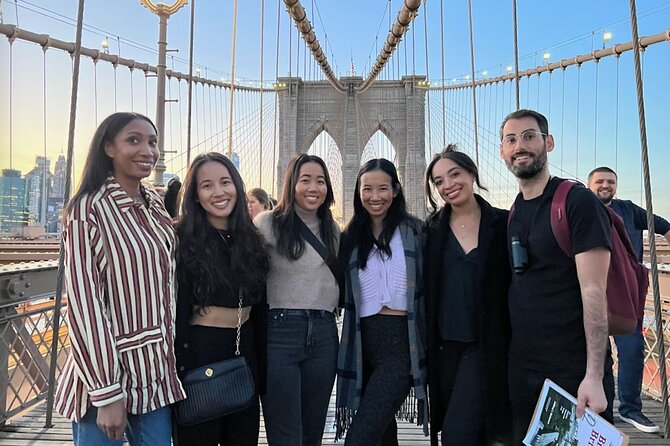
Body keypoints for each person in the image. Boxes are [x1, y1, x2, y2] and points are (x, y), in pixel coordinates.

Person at [54, 112, 185, 445]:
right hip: (104, 380)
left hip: (154, 375)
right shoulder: (87, 210)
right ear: (108, 147)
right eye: (134, 140)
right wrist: (106, 391)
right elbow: (85, 306)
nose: (148, 151)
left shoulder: (154, 204)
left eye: (152, 142)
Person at [499, 109, 615, 443]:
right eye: (511, 139)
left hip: (573, 370)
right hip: (523, 371)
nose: (520, 146)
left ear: (548, 143)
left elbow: (594, 291)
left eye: (529, 136)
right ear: (502, 151)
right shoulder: (514, 212)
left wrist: (593, 375)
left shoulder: (577, 202)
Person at [173, 152, 269, 445]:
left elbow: (261, 311)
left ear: (237, 188)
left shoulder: (251, 240)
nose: (218, 192)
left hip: (243, 357)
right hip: (197, 359)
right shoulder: (181, 239)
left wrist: (263, 375)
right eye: (207, 185)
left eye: (225, 182)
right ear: (195, 195)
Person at [335, 159, 428, 445]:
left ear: (396, 190)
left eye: (383, 188)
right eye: (367, 189)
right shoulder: (349, 237)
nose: (375, 197)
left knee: (361, 436)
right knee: (383, 433)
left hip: (401, 345)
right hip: (361, 343)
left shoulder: (416, 231)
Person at [424, 146, 512, 446]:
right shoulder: (430, 231)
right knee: (468, 431)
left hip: (485, 345)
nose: (447, 185)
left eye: (454, 174)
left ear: (472, 174)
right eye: (438, 181)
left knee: (456, 435)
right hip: (443, 348)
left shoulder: (504, 224)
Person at [255, 153, 341, 446]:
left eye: (320, 181)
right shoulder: (267, 224)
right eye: (305, 180)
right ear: (291, 183)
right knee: (285, 435)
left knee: (312, 433)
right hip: (280, 333)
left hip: (325, 333)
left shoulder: (334, 231)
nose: (313, 187)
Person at [587, 166, 670, 434]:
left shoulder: (629, 210)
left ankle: (631, 409)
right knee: (596, 356)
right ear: (590, 185)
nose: (605, 185)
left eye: (610, 181)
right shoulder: (581, 208)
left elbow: (664, 227)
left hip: (625, 294)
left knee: (632, 351)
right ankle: (601, 412)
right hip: (590, 292)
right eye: (599, 181)